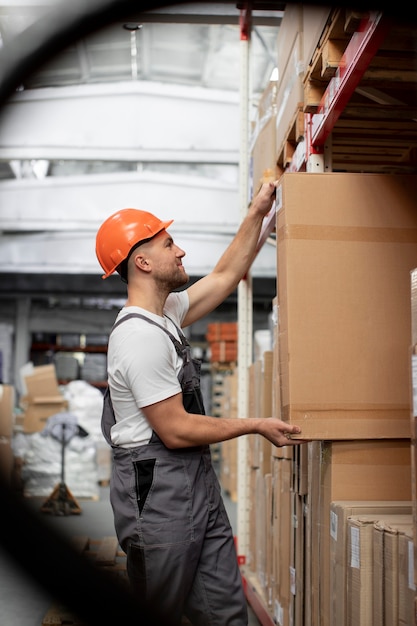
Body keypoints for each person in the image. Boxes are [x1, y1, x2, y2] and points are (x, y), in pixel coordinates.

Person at [95, 180, 303, 626]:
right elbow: (174, 429)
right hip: (158, 495)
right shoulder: (138, 336)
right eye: (169, 244)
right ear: (143, 261)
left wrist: (257, 214)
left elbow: (226, 276)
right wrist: (254, 425)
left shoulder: (164, 314)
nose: (181, 251)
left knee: (226, 610)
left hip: (196, 484)